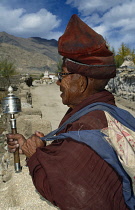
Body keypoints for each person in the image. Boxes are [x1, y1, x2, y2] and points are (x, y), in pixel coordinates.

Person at [7, 15, 135, 210]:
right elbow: (68, 157)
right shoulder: (101, 112)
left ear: (82, 82)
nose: (58, 82)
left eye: (63, 75)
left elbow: (68, 194)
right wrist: (31, 145)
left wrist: (34, 155)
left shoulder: (89, 125)